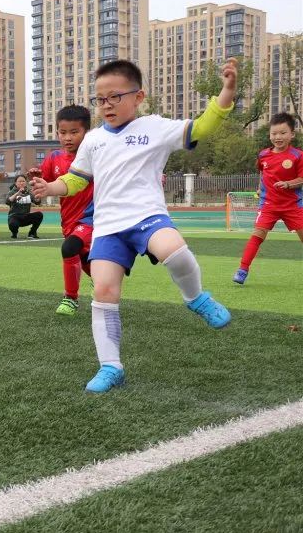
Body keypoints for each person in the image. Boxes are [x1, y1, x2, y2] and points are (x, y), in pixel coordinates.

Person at [32, 58, 237, 394]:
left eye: (116, 96)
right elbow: (75, 180)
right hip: (107, 226)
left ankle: (197, 298)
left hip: (147, 216)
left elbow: (200, 128)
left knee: (175, 251)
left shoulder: (155, 127)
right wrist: (49, 187)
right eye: (100, 99)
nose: (107, 105)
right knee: (104, 293)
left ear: (138, 96)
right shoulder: (93, 140)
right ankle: (111, 367)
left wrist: (226, 92)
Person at [233, 112, 303, 284]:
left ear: (292, 134)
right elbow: (262, 171)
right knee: (257, 235)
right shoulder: (263, 155)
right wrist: (260, 186)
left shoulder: (298, 155)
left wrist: (288, 184)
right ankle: (242, 270)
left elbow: (302, 179)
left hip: (293, 205)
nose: (278, 137)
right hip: (269, 204)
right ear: (270, 135)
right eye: (274, 133)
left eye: (282, 133)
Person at [40, 105, 95, 316]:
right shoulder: (54, 157)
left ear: (86, 133)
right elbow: (45, 181)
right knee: (83, 259)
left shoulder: (94, 157)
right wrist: (36, 179)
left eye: (74, 132)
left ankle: (70, 299)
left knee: (69, 248)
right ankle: (101, 280)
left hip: (92, 217)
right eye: (63, 132)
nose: (68, 138)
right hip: (68, 220)